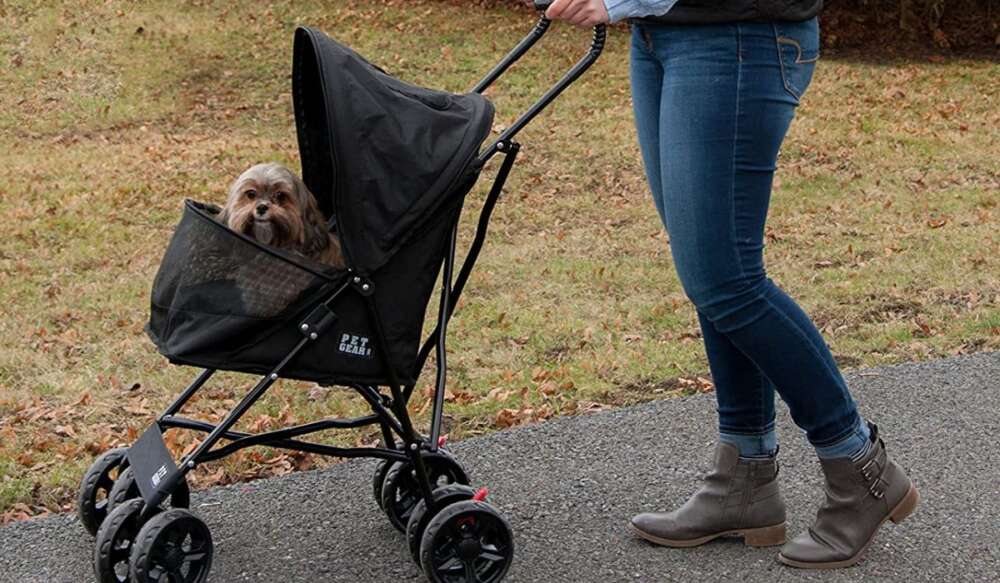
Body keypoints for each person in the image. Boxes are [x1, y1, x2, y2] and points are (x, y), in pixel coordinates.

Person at [540, 0, 919, 569]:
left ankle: (859, 467)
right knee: (710, 271)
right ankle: (744, 478)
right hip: (662, 36)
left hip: (740, 38)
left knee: (728, 280)